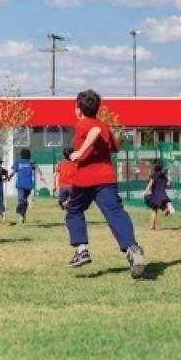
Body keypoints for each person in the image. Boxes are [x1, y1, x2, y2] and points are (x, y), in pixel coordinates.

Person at [65, 89, 146, 278]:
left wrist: (79, 153)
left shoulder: (85, 124)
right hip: (106, 179)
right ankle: (132, 248)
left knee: (74, 210)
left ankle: (81, 250)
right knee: (115, 213)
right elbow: (115, 147)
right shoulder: (103, 125)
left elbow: (94, 131)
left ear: (78, 109)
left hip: (85, 178)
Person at [6, 148, 46, 224]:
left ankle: (21, 213)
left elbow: (36, 167)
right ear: (29, 155)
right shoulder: (18, 163)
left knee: (22, 200)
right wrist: (9, 177)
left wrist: (41, 175)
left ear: (21, 155)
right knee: (22, 200)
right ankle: (22, 215)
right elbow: (14, 171)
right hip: (21, 185)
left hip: (28, 185)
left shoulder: (30, 162)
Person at [143, 159, 175, 230]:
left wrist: (145, 191)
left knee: (154, 210)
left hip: (155, 196)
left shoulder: (153, 175)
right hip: (163, 196)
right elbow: (168, 186)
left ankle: (152, 226)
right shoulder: (164, 177)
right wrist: (169, 182)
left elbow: (150, 184)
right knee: (163, 211)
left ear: (154, 167)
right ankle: (167, 209)